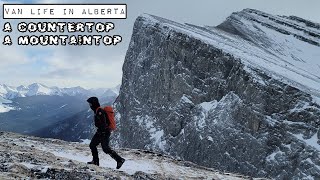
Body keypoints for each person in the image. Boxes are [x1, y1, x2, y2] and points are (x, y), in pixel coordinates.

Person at [86, 97, 125, 169]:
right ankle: (95, 161)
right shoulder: (97, 110)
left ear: (94, 103)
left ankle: (119, 160)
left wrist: (102, 133)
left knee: (105, 148)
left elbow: (104, 123)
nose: (90, 105)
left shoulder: (100, 111)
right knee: (93, 145)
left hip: (104, 132)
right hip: (101, 132)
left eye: (90, 104)